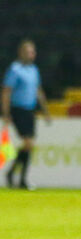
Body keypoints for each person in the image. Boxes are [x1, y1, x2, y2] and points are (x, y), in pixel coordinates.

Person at [3, 40, 51, 189]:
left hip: (30, 110)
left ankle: (13, 174)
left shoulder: (34, 70)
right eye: (29, 51)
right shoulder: (15, 69)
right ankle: (21, 179)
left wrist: (45, 110)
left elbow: (38, 90)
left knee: (29, 145)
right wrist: (6, 113)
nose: (32, 54)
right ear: (21, 53)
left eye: (33, 51)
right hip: (18, 109)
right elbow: (6, 92)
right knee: (28, 143)